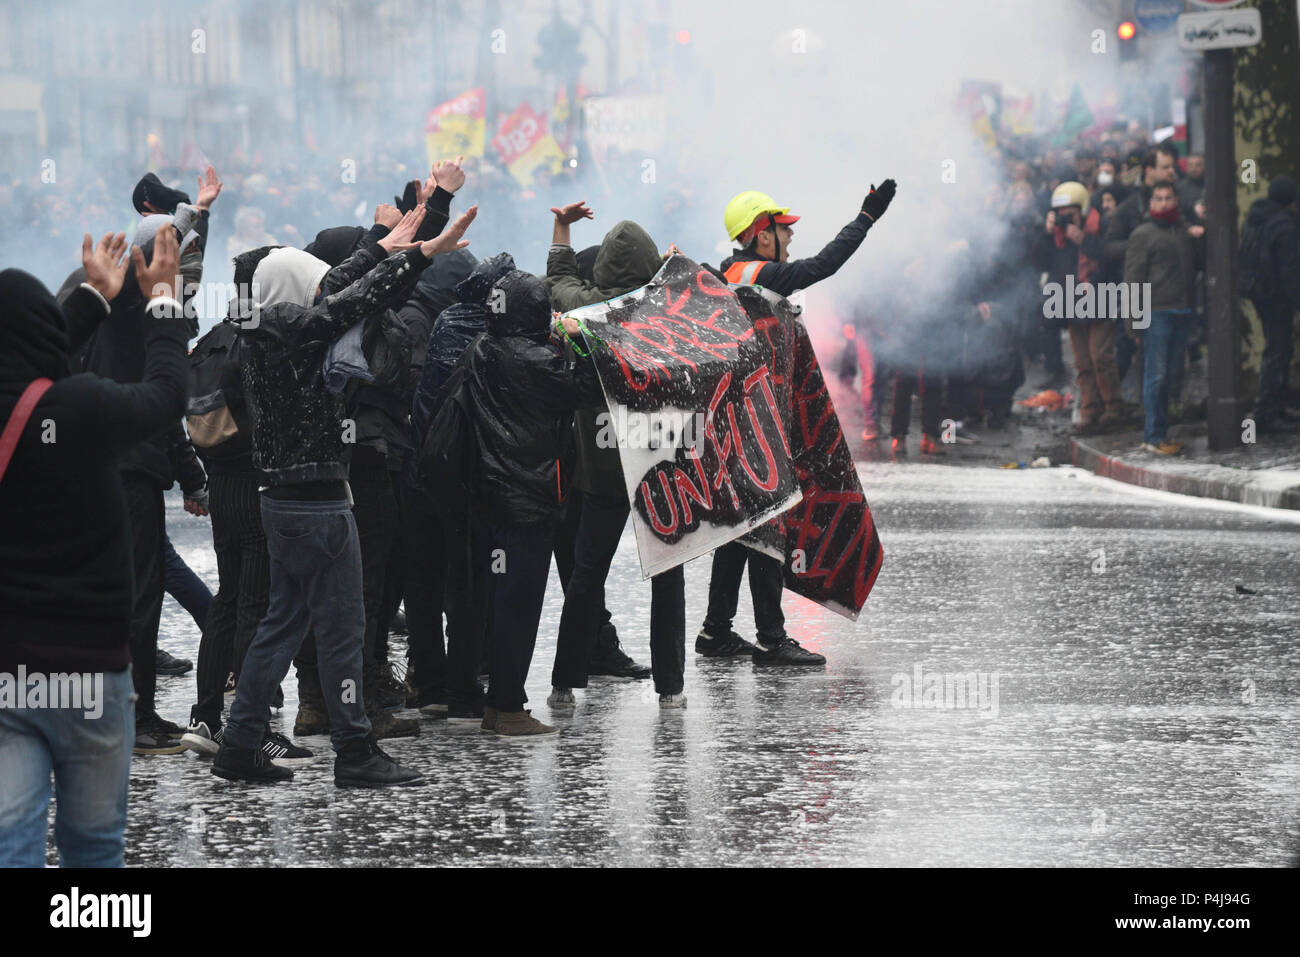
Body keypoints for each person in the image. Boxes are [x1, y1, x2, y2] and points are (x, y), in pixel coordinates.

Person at [210, 204, 477, 784]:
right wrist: (420, 254)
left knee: (280, 627)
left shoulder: (262, 329)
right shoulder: (299, 333)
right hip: (321, 505)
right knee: (343, 630)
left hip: (279, 500)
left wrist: (386, 243)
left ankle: (238, 744)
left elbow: (337, 285)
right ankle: (355, 750)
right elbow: (353, 299)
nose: (320, 289)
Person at [1, 228, 186, 865]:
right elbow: (166, 396)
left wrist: (94, 303)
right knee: (93, 849)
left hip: (8, 676)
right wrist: (162, 303)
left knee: (13, 841)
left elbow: (31, 361)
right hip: (90, 673)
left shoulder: (49, 406)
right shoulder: (81, 410)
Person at [699, 179, 896, 665]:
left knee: (741, 529)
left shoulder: (731, 273)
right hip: (756, 428)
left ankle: (715, 631)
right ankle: (772, 637)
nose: (790, 239)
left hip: (738, 425)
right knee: (768, 527)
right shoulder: (754, 272)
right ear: (760, 235)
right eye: (782, 229)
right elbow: (823, 265)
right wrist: (866, 218)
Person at [545, 203, 685, 709]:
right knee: (668, 577)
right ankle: (670, 686)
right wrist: (677, 271)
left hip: (600, 464)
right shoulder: (672, 309)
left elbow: (558, 273)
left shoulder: (582, 310)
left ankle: (565, 681)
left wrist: (562, 224)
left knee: (587, 575)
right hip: (661, 466)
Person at [463, 269, 604, 737]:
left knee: (497, 601)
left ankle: (497, 702)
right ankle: (507, 707)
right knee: (519, 606)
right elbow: (586, 387)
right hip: (529, 501)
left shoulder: (482, 347)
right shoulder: (538, 359)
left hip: (488, 498)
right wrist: (576, 338)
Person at [1038, 181, 1129, 435]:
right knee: (1083, 361)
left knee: (1101, 355)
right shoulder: (1056, 236)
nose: (1066, 218)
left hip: (1100, 297)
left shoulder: (1102, 226)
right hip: (1070, 299)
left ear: (1083, 209)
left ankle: (1114, 406)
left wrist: (1083, 240)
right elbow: (1040, 261)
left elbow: (1110, 259)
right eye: (1061, 213)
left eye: (1071, 212)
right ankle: (1091, 407)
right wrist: (1046, 233)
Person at [1123, 182, 1204, 455]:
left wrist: (1200, 234)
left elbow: (1201, 265)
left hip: (1181, 312)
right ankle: (1153, 436)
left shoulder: (1183, 230)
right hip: (1155, 313)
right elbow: (1133, 279)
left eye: (1168, 197)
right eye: (1158, 198)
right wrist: (1134, 322)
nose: (1163, 203)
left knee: (1171, 375)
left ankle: (1161, 433)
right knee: (1155, 376)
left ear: (1176, 201)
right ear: (1150, 203)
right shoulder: (1142, 234)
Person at [1239, 176, 1300, 433]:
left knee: (1276, 348)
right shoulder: (1285, 226)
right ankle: (1267, 411)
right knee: (1278, 350)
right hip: (1277, 296)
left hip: (1259, 292)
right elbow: (1290, 271)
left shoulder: (1256, 217)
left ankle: (1273, 406)